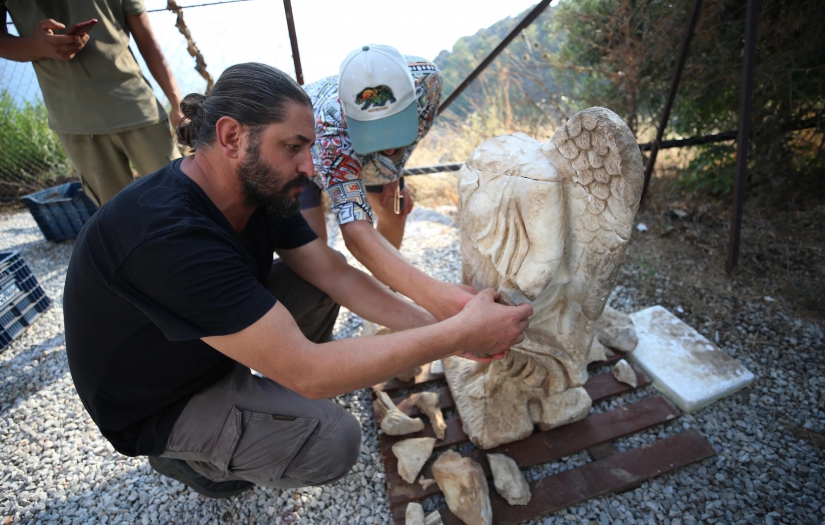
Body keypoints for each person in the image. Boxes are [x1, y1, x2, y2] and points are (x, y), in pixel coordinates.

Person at [63, 63, 533, 498]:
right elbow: (309, 373)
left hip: (195, 343)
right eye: (293, 147)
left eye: (310, 147)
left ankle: (259, 391)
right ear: (231, 137)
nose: (310, 167)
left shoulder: (257, 188)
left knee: (317, 283)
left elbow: (333, 272)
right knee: (333, 440)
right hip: (160, 397)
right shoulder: (168, 234)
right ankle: (188, 458)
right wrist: (457, 332)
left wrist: (432, 323)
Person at [300, 44, 473, 322]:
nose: (390, 147)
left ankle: (386, 291)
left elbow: (414, 134)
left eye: (395, 126)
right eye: (376, 132)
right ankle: (322, 330)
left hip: (358, 149)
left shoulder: (427, 81)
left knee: (396, 207)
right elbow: (357, 234)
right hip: (308, 155)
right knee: (313, 255)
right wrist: (436, 297)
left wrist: (394, 174)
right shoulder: (330, 129)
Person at [0, 0, 183, 205]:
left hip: (136, 107)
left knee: (180, 197)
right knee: (117, 218)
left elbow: (147, 42)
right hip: (74, 121)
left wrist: (177, 105)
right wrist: (37, 47)